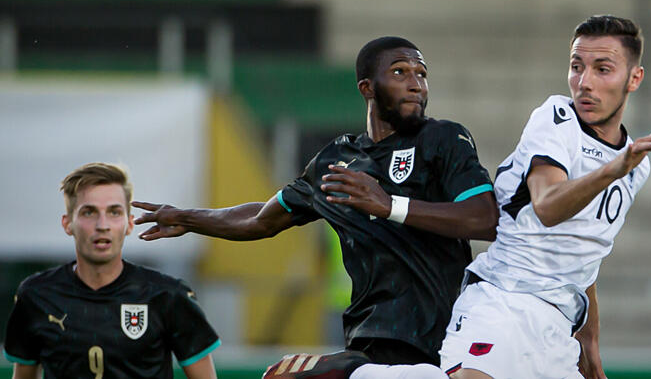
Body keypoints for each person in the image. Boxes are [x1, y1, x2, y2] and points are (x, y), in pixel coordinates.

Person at [134, 36, 499, 377]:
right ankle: (348, 368)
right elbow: (262, 220)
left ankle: (345, 370)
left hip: (445, 331)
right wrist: (189, 217)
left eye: (421, 74)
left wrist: (391, 206)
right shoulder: (335, 162)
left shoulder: (442, 138)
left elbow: (485, 218)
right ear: (367, 88)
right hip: (372, 334)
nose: (416, 83)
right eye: (400, 72)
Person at [437, 15, 651, 379]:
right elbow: (546, 207)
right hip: (503, 302)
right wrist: (614, 168)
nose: (585, 83)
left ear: (634, 78)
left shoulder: (636, 166)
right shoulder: (556, 118)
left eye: (602, 69)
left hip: (559, 328)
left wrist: (590, 345)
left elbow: (585, 255)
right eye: (576, 67)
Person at [2, 162, 220, 379]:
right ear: (68, 223)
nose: (102, 225)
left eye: (114, 212)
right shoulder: (36, 295)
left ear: (129, 224)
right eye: (89, 212)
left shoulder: (168, 295)